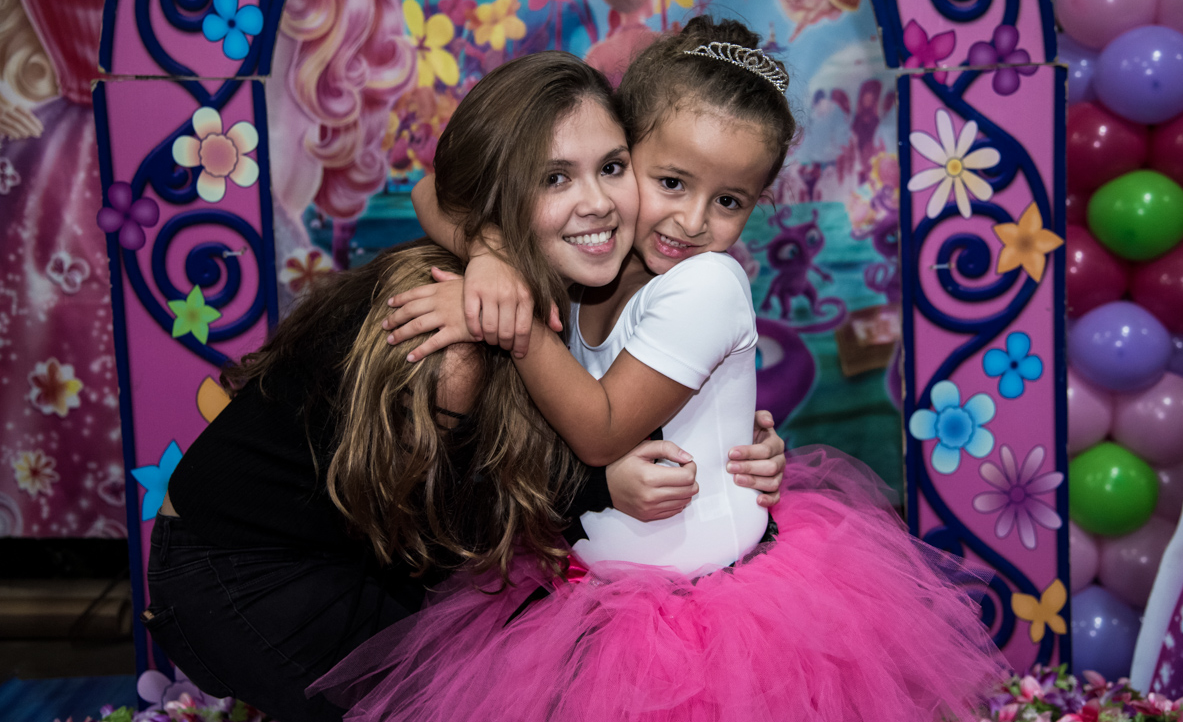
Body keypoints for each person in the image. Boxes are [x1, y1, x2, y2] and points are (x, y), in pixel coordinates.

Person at [319, 17, 1008, 721]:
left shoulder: (705, 283)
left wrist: (515, 317)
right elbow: (432, 191)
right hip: (590, 586)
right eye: (671, 181)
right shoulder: (597, 259)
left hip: (712, 612)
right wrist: (494, 258)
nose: (691, 221)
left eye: (729, 202)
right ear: (620, 158)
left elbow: (599, 430)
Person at [146, 50, 786, 722]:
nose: (596, 201)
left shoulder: (578, 269)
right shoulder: (456, 346)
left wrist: (731, 440)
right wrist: (596, 485)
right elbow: (457, 517)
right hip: (245, 568)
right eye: (555, 177)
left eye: (612, 167)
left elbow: (438, 198)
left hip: (377, 539)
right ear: (502, 190)